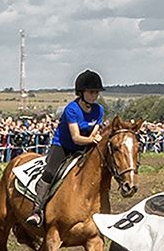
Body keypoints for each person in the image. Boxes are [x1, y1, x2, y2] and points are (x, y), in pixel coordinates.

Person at [25, 70, 106, 227]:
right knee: (50, 172)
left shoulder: (99, 110)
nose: (95, 95)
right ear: (81, 92)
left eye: (96, 92)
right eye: (91, 92)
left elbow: (94, 133)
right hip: (63, 146)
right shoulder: (72, 109)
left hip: (85, 146)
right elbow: (76, 137)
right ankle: (37, 210)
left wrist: (93, 140)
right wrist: (92, 140)